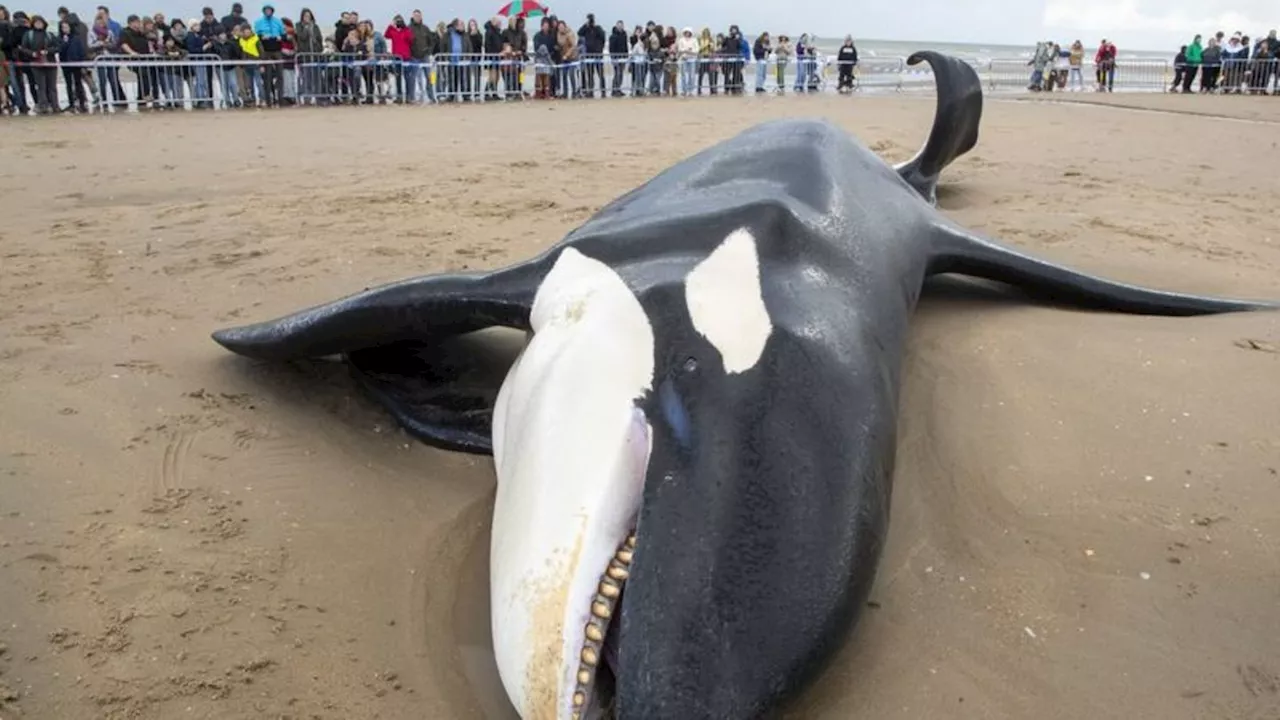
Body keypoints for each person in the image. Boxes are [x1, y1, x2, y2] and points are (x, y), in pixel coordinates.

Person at [18, 14, 59, 114]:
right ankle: (43, 106)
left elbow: (57, 47)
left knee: (52, 86)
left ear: (44, 23)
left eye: (40, 22)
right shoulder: (28, 35)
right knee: (41, 87)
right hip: (36, 64)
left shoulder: (49, 35)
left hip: (50, 63)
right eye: (36, 23)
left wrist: (47, 51)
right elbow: (23, 48)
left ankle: (55, 106)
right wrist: (32, 53)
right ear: (33, 24)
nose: (39, 24)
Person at [253, 3, 283, 106]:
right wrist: (262, 37)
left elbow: (283, 34)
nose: (268, 12)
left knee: (280, 76)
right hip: (266, 51)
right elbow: (256, 36)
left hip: (277, 50)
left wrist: (280, 37)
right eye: (266, 10)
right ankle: (268, 100)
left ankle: (281, 99)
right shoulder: (258, 22)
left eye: (269, 10)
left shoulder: (278, 22)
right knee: (267, 76)